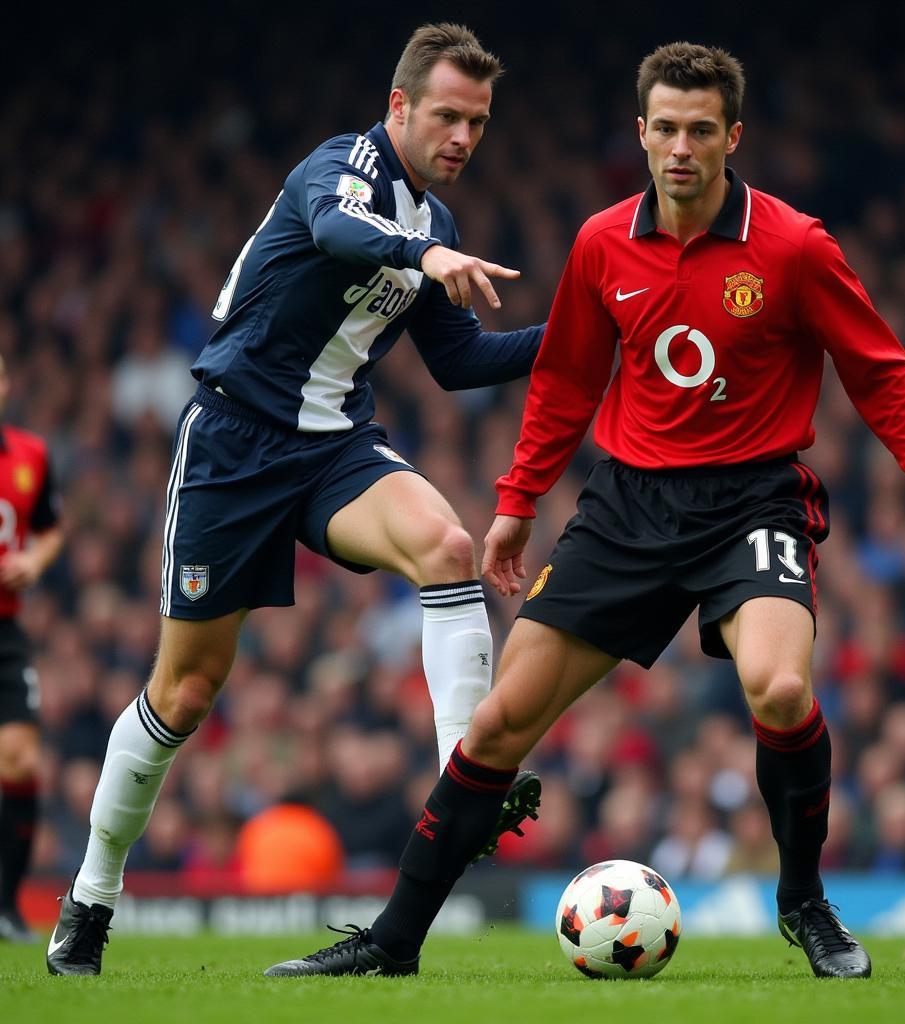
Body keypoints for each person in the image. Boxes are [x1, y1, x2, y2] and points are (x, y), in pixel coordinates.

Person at [263, 41, 905, 981]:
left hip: (752, 496)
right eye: (666, 129)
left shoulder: (794, 246)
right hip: (626, 506)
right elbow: (563, 384)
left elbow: (880, 371)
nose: (682, 148)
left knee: (782, 690)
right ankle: (392, 940)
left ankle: (802, 901)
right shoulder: (602, 242)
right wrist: (516, 502)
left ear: (732, 137)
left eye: (702, 131)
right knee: (500, 725)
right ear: (641, 133)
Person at [46, 23, 543, 976]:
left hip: (334, 449)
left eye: (477, 121)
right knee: (185, 692)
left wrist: (575, 338)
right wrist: (425, 258)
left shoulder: (431, 227)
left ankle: (466, 782)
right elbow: (337, 233)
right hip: (232, 444)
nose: (463, 136)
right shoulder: (340, 169)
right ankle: (92, 894)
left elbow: (459, 360)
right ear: (399, 106)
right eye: (447, 114)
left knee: (447, 546)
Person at [0, 354, 64, 943]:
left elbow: (50, 527)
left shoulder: (30, 455)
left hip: (5, 630)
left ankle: (7, 905)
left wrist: (34, 561)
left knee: (20, 761)